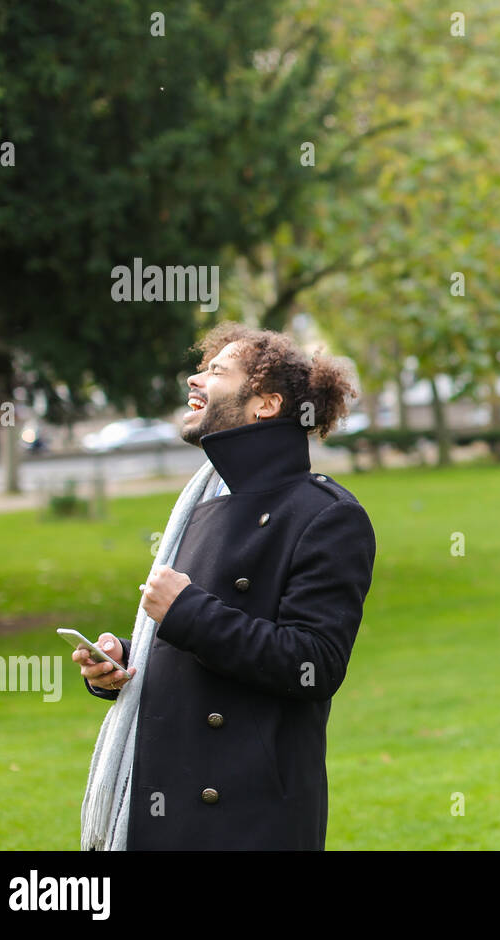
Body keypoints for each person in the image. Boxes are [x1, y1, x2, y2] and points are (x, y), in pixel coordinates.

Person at [74, 322, 376, 850]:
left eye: (215, 371)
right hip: (160, 803)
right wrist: (122, 662)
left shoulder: (327, 516)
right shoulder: (199, 507)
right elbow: (190, 642)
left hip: (245, 817)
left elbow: (314, 664)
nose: (195, 378)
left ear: (265, 404)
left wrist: (186, 611)